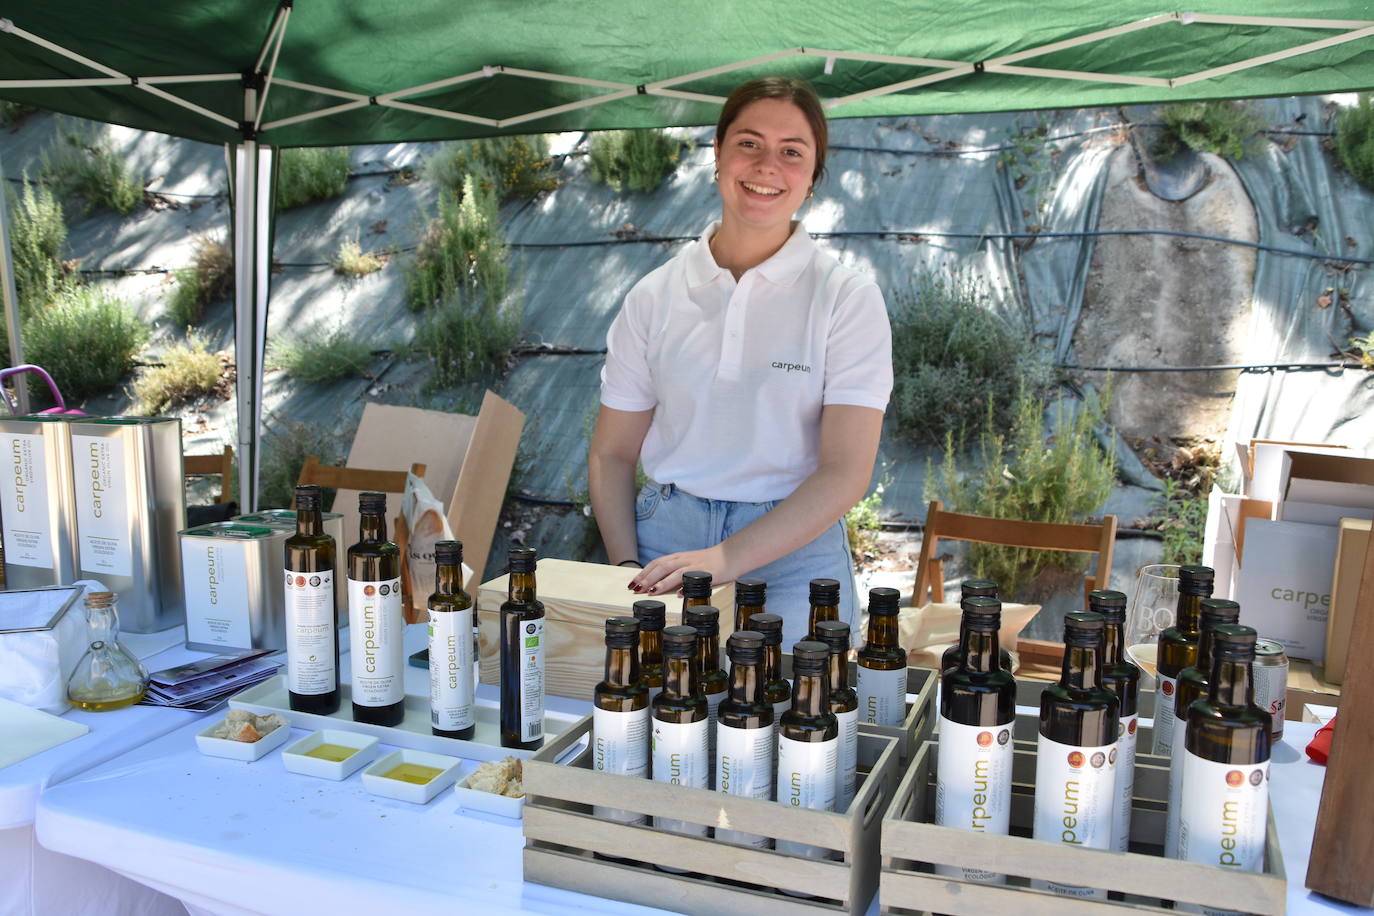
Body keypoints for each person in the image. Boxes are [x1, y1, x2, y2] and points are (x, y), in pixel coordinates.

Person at [587, 76, 892, 648]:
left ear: (812, 178)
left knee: (796, 729)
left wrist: (726, 558)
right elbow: (612, 452)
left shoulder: (847, 298)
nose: (767, 165)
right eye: (748, 143)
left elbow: (845, 471)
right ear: (718, 157)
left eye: (792, 152)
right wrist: (625, 567)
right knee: (662, 727)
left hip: (794, 554)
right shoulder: (653, 296)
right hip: (665, 545)